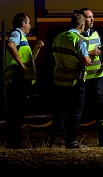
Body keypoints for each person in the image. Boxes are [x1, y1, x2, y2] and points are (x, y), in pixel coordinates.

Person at [49, 13, 93, 149]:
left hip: (58, 79)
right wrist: (90, 59)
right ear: (82, 25)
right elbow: (85, 61)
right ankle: (72, 141)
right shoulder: (79, 40)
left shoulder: (59, 36)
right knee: (75, 112)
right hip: (74, 81)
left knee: (59, 112)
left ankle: (55, 140)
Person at [4, 13, 44, 149]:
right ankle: (13, 142)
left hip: (21, 80)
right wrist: (21, 65)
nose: (30, 25)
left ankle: (15, 141)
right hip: (16, 79)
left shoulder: (23, 38)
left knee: (18, 111)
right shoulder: (16, 34)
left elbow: (30, 60)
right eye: (29, 22)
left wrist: (37, 48)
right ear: (23, 24)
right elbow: (10, 45)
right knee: (15, 111)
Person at [77, 8, 103, 147]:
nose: (92, 20)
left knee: (102, 107)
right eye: (89, 17)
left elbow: (101, 52)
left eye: (93, 17)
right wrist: (90, 53)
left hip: (98, 77)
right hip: (82, 78)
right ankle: (73, 140)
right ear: (81, 20)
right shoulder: (77, 37)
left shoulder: (96, 33)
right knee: (77, 109)